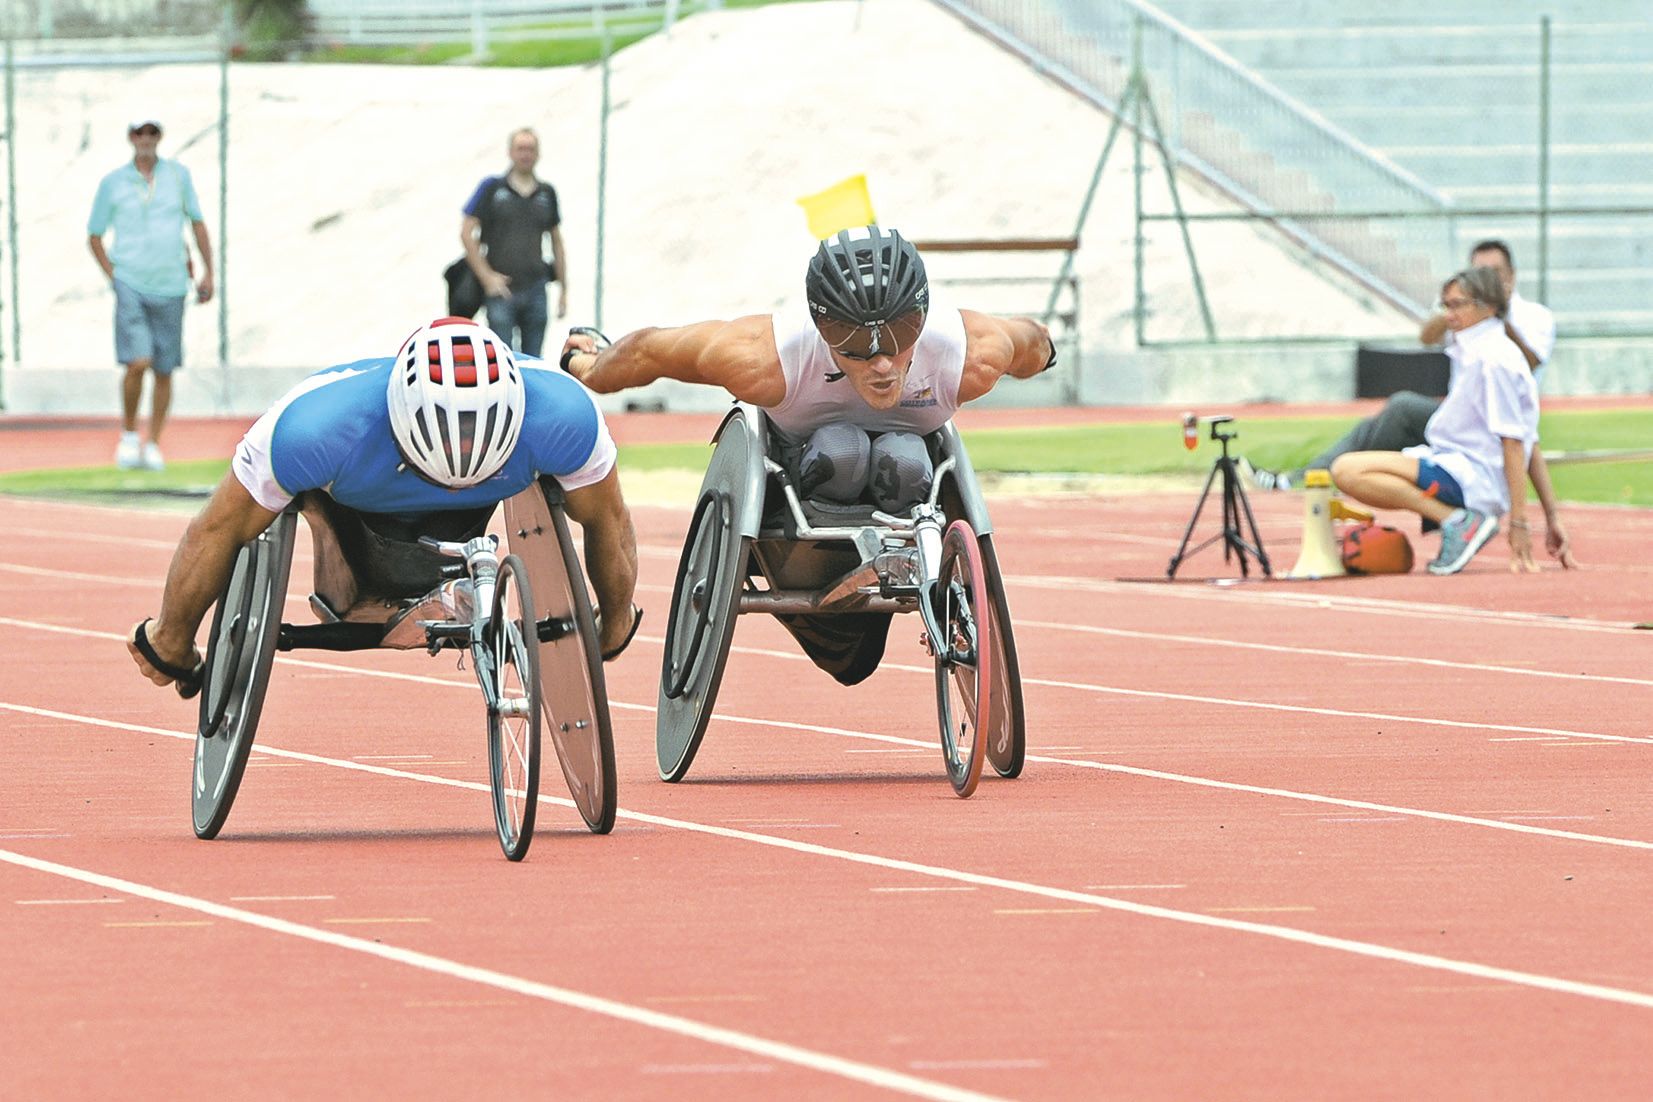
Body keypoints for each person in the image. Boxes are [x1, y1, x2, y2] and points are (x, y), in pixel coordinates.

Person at [561, 223, 1055, 683]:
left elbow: (1031, 343)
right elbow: (653, 351)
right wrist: (587, 366)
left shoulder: (968, 352)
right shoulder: (769, 356)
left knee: (905, 458)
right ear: (822, 330)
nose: (882, 362)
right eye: (855, 342)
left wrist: (1046, 351)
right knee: (844, 450)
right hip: (798, 519)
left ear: (922, 317)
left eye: (901, 335)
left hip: (907, 500)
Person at [127, 317, 640, 693]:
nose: (457, 467)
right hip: (353, 519)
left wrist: (168, 646)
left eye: (471, 453)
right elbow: (219, 528)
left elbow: (608, 523)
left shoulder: (563, 416)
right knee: (275, 508)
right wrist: (175, 635)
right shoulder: (314, 428)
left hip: (462, 512)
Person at [1249, 239, 1556, 492]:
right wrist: (1454, 308)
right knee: (1372, 427)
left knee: (1402, 408)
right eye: (1479, 272)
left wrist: (1496, 314)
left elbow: (1530, 363)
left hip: (1486, 424)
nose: (1486, 278)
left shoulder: (1533, 317)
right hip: (1457, 415)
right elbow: (1427, 337)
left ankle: (1349, 480)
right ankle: (1300, 479)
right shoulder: (1464, 314)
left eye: (1494, 272)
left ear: (1511, 276)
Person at [1329, 267, 1573, 576]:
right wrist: (1553, 517)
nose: (1448, 314)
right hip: (1454, 464)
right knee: (1351, 469)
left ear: (1489, 307)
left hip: (1471, 478)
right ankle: (1457, 520)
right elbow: (1529, 440)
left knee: (1347, 470)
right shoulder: (1476, 351)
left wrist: (1519, 522)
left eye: (1457, 305)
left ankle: (1458, 521)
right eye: (1445, 305)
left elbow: (1515, 443)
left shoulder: (1493, 360)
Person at [87, 114, 214, 472]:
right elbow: (94, 235)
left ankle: (154, 442)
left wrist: (208, 272)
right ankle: (129, 435)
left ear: (159, 135)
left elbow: (197, 223)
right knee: (137, 362)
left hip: (172, 283)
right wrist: (114, 276)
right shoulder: (112, 183)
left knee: (163, 368)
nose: (146, 137)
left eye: (152, 131)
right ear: (130, 136)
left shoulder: (178, 176)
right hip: (130, 282)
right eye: (139, 131)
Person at [460, 128, 567, 357]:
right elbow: (467, 232)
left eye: (530, 149)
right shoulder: (492, 189)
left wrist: (564, 289)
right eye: (520, 148)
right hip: (502, 290)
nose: (525, 154)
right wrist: (486, 277)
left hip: (536, 287)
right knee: (500, 359)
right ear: (510, 152)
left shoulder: (546, 193)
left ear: (538, 153)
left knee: (533, 361)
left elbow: (556, 241)